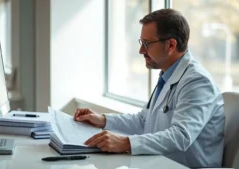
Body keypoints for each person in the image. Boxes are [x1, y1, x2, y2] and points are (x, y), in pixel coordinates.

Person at [74, 8, 225, 168]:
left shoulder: (197, 81)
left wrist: (125, 143)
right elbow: (143, 121)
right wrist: (103, 120)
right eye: (141, 43)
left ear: (171, 45)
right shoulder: (167, 75)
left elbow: (181, 136)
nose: (141, 51)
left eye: (147, 44)